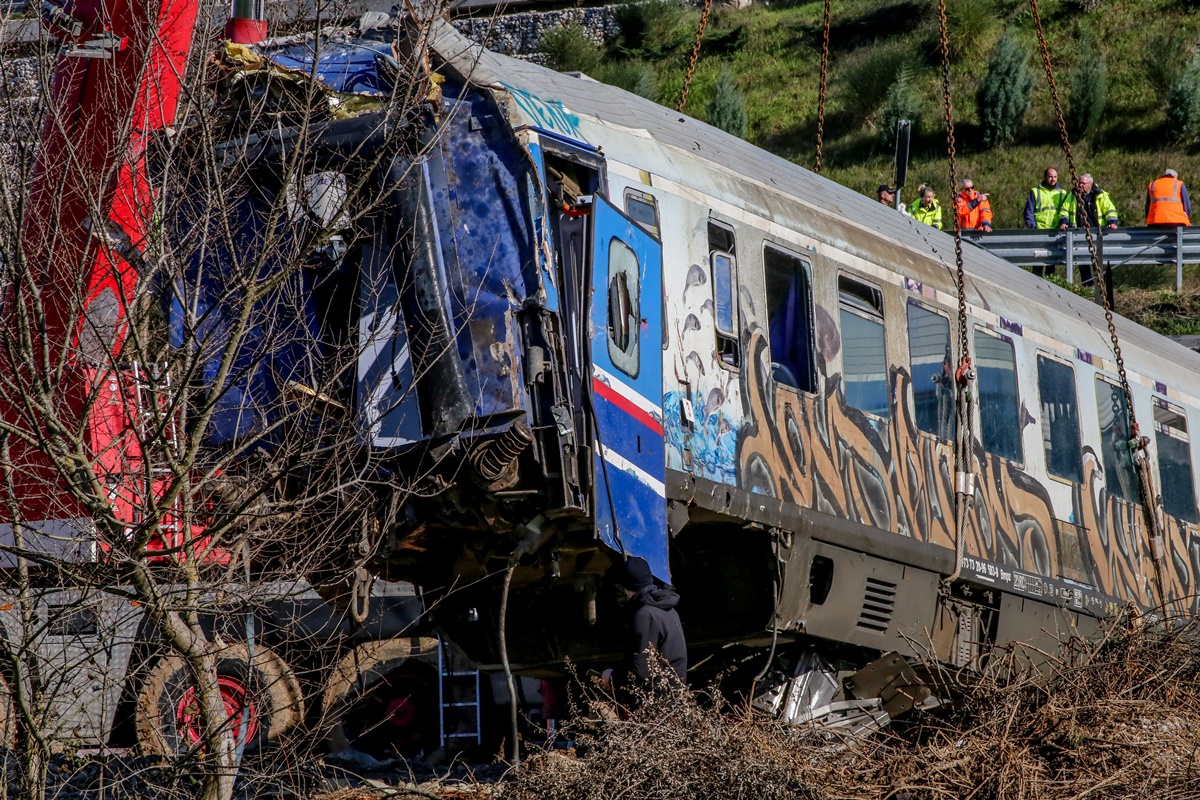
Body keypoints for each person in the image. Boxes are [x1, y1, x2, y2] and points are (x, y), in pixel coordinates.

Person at [609, 556, 687, 696]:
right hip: (674, 696)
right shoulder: (667, 608)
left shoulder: (644, 615)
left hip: (656, 701)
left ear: (626, 587)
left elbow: (641, 671)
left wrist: (612, 677)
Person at [1067, 173, 1119, 286]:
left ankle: (1099, 285)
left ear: (1090, 184)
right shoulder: (1073, 195)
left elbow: (1110, 210)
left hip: (1096, 233)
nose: (1080, 185)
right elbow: (1065, 210)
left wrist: (1112, 222)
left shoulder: (1100, 195)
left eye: (1083, 183)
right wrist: (1064, 222)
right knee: (1082, 260)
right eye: (1079, 183)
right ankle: (1087, 286)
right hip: (1079, 233)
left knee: (1096, 261)